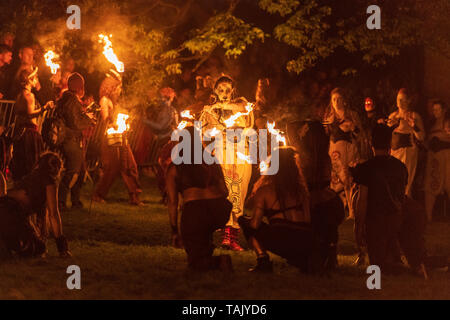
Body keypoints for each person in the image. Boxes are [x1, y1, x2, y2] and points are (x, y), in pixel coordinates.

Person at [166, 125, 233, 271]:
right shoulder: (211, 160)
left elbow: (172, 202)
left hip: (195, 212)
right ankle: (206, 248)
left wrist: (174, 230)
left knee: (195, 264)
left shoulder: (175, 167)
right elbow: (225, 191)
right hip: (220, 209)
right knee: (202, 230)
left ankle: (221, 261)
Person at [200, 75, 254, 251]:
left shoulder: (240, 103)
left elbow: (243, 108)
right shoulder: (209, 110)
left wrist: (221, 106)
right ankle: (224, 235)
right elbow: (202, 133)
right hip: (222, 153)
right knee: (225, 193)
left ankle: (233, 237)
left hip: (241, 154)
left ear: (233, 91)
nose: (224, 93)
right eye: (220, 90)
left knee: (239, 193)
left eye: (227, 90)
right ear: (215, 90)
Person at [239, 147, 313, 273]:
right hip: (304, 241)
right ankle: (301, 260)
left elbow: (254, 225)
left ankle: (263, 260)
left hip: (282, 239)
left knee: (245, 221)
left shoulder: (265, 190)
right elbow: (308, 220)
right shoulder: (301, 190)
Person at [351, 124, 408, 274]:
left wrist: (358, 227)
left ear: (371, 143)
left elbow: (362, 200)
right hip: (397, 221)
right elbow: (402, 197)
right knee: (387, 257)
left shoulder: (366, 168)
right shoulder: (401, 167)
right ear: (390, 143)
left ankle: (390, 260)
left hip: (376, 223)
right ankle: (394, 254)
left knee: (378, 266)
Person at [292, 120, 345, 272]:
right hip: (328, 199)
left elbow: (291, 129)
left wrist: (301, 128)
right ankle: (330, 255)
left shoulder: (302, 155)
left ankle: (315, 256)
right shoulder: (325, 157)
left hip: (311, 200)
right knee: (329, 226)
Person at [0, 152, 71, 258]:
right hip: (8, 211)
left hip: (8, 210)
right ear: (57, 168)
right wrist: (62, 248)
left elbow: (25, 212)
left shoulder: (33, 176)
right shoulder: (48, 181)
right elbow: (53, 214)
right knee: (37, 249)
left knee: (37, 245)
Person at [92, 73, 142, 206]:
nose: (120, 90)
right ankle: (98, 195)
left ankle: (134, 196)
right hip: (110, 138)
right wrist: (115, 123)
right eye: (118, 87)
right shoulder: (104, 100)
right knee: (112, 168)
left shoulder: (115, 102)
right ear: (111, 88)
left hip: (121, 136)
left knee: (130, 165)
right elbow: (105, 119)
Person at [323, 87, 365, 219]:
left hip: (348, 150)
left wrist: (353, 128)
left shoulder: (352, 115)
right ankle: (336, 209)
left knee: (348, 179)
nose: (337, 102)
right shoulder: (329, 118)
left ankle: (353, 210)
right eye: (334, 99)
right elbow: (325, 136)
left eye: (339, 99)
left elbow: (361, 136)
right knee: (335, 181)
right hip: (334, 152)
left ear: (344, 100)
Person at [57, 72, 94, 210]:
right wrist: (88, 119)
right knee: (73, 172)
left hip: (74, 140)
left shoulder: (69, 99)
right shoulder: (71, 100)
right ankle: (60, 201)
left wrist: (85, 113)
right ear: (79, 87)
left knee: (81, 171)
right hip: (71, 140)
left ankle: (75, 200)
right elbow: (75, 123)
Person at [10, 68, 53, 182]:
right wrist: (44, 108)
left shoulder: (19, 95)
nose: (37, 80)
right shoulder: (29, 96)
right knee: (31, 164)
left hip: (20, 132)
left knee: (21, 164)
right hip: (29, 134)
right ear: (30, 80)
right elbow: (29, 115)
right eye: (35, 78)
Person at [387, 88, 425, 197]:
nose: (400, 103)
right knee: (393, 183)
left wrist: (414, 126)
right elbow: (387, 137)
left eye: (403, 100)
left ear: (409, 101)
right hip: (394, 153)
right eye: (398, 99)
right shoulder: (393, 116)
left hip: (408, 153)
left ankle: (406, 208)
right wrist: (390, 126)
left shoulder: (414, 116)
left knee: (406, 185)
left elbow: (421, 137)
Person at [424, 100, 450, 221]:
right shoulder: (431, 124)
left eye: (437, 109)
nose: (435, 112)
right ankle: (428, 216)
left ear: (444, 110)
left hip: (446, 158)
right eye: (434, 110)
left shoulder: (447, 123)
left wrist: (443, 143)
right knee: (431, 186)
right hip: (434, 158)